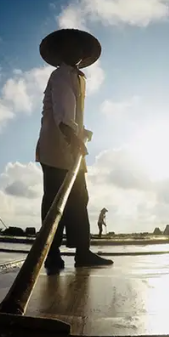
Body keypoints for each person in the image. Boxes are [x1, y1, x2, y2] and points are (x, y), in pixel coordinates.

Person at [36, 29, 114, 271]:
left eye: (81, 49)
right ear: (63, 51)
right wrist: (73, 136)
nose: (78, 53)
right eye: (72, 48)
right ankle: (51, 254)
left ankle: (82, 251)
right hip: (57, 149)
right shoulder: (60, 75)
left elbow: (71, 115)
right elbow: (61, 111)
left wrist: (81, 132)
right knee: (54, 203)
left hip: (71, 150)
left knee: (79, 200)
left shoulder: (77, 78)